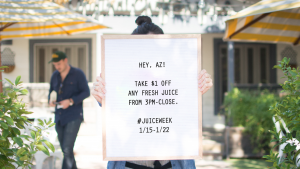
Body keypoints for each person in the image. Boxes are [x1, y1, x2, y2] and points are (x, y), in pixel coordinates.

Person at [92, 16, 213, 169]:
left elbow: (184, 118)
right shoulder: (119, 80)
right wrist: (102, 97)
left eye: (157, 47)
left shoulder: (180, 79)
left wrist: (197, 90)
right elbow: (118, 116)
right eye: (144, 48)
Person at [48, 51, 90, 169]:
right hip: (59, 116)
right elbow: (51, 91)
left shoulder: (78, 74)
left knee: (67, 149)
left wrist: (71, 101)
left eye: (59, 64)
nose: (57, 67)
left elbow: (86, 92)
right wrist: (50, 101)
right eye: (55, 65)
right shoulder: (54, 75)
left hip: (74, 115)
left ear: (65, 60)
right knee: (66, 150)